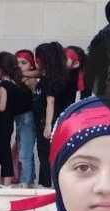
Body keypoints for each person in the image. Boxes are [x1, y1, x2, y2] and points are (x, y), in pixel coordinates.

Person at [33, 41, 71, 187]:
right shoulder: (57, 75)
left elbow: (50, 101)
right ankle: (48, 182)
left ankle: (47, 184)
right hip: (56, 120)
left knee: (45, 153)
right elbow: (36, 73)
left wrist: (48, 125)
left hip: (48, 120)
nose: (36, 62)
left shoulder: (49, 79)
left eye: (38, 58)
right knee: (50, 153)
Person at [0, 51, 30, 186]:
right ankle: (4, 181)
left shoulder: (4, 86)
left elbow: (1, 106)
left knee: (3, 153)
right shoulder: (15, 85)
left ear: (1, 68)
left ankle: (5, 182)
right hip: (8, 123)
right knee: (5, 152)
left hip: (0, 123)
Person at [14, 50, 40, 187]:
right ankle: (29, 179)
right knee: (23, 150)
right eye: (17, 63)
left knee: (25, 152)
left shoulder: (31, 80)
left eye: (23, 63)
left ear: (31, 65)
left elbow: (37, 98)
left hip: (28, 118)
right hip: (20, 118)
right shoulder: (18, 78)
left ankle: (25, 180)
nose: (20, 66)